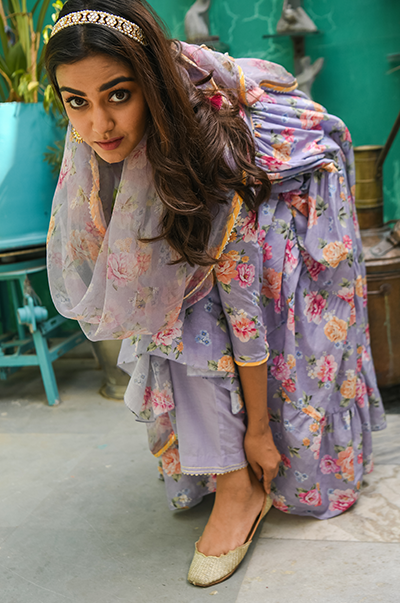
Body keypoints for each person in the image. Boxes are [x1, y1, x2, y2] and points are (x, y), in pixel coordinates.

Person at [45, 0, 386, 588]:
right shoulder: (103, 142)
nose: (99, 126)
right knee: (165, 288)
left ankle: (240, 486)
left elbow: (241, 307)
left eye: (119, 95)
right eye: (77, 101)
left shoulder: (206, 149)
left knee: (195, 308)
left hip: (293, 182)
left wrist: (258, 434)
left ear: (152, 85)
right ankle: (223, 468)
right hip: (204, 176)